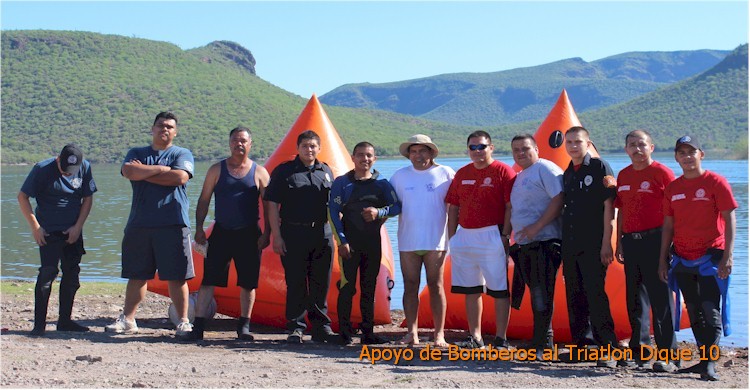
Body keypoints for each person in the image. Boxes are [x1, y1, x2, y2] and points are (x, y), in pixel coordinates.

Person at [105, 111, 196, 338]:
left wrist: (143, 173)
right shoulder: (137, 153)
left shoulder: (182, 153)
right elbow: (128, 171)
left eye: (169, 127)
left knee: (177, 276)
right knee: (137, 274)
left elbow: (179, 178)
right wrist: (162, 170)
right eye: (160, 125)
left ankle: (183, 322)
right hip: (140, 223)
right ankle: (128, 320)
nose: (164, 129)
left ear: (175, 132)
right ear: (152, 129)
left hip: (173, 223)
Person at [659, 135, 736, 381]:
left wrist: (728, 256)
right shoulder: (673, 188)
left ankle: (710, 362)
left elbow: (731, 219)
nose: (687, 156)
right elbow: (668, 226)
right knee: (693, 311)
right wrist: (663, 259)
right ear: (676, 158)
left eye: (691, 152)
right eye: (682, 153)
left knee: (710, 310)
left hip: (711, 258)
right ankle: (703, 361)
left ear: (700, 154)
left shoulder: (715, 182)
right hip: (682, 258)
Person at [185, 127, 271, 341]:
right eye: (234, 140)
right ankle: (199, 327)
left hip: (250, 234)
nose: (238, 144)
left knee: (248, 283)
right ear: (229, 143)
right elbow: (204, 200)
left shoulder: (259, 172)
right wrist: (198, 228)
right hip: (221, 232)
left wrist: (268, 232)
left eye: (243, 141)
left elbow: (269, 206)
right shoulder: (217, 169)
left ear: (250, 144)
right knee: (208, 281)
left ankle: (243, 326)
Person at [561, 126, 630, 368]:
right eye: (569, 142)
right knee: (575, 296)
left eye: (577, 141)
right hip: (570, 245)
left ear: (588, 142)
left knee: (595, 295)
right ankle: (582, 347)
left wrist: (606, 245)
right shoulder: (568, 172)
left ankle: (608, 348)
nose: (573, 146)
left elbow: (610, 209)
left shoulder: (600, 167)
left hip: (594, 244)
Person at [264, 130, 338, 344]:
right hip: (293, 233)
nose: (309, 149)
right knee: (295, 281)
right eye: (305, 146)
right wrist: (276, 236)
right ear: (297, 148)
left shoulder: (326, 171)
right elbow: (271, 204)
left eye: (313, 146)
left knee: (320, 282)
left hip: (321, 234)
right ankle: (296, 328)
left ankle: (321, 328)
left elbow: (334, 205)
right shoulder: (284, 171)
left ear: (319, 148)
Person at [445, 130, 516, 349]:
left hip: (492, 234)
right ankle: (475, 337)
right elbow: (453, 206)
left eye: (482, 147)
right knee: (471, 289)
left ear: (491, 148)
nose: (477, 151)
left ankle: (500, 338)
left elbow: (510, 206)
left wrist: (505, 235)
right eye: (473, 147)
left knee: (499, 289)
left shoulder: (503, 171)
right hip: (465, 236)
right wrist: (452, 238)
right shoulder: (462, 173)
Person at [614, 130, 678, 371]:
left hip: (656, 240)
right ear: (626, 150)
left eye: (642, 144)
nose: (637, 149)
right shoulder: (624, 174)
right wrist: (619, 240)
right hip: (631, 242)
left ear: (651, 147)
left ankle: (668, 355)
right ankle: (639, 351)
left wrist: (670, 244)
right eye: (632, 145)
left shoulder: (662, 173)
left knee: (661, 298)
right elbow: (621, 210)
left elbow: (675, 210)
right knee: (635, 299)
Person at [18, 144, 97, 336]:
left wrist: (77, 227)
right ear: (57, 160)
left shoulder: (85, 167)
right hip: (48, 231)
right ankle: (39, 326)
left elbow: (87, 198)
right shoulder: (42, 169)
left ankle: (65, 321)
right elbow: (22, 197)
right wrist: (36, 227)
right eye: (64, 170)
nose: (68, 174)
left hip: (72, 231)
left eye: (72, 171)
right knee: (47, 274)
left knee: (71, 275)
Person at [329, 141, 401, 345]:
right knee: (347, 286)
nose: (365, 159)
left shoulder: (382, 184)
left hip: (372, 244)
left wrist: (379, 212)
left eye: (369, 155)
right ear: (352, 158)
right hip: (349, 244)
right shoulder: (343, 183)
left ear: (374, 159)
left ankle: (367, 333)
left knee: (368, 287)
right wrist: (341, 240)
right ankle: (344, 332)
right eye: (360, 155)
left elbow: (396, 207)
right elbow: (333, 212)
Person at [389, 134, 455, 347]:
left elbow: (456, 206)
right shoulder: (399, 176)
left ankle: (439, 335)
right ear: (408, 155)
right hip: (408, 241)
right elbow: (389, 206)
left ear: (431, 152)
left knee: (436, 286)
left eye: (422, 150)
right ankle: (412, 333)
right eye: (413, 151)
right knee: (410, 286)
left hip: (435, 240)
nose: (418, 155)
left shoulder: (445, 173)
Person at [506, 134, 563, 355]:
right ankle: (539, 338)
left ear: (536, 149)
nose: (520, 153)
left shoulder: (545, 169)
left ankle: (545, 342)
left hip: (545, 242)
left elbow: (559, 199)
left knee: (542, 292)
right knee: (535, 292)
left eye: (525, 148)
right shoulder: (520, 175)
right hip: (525, 244)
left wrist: (537, 227)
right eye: (516, 149)